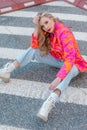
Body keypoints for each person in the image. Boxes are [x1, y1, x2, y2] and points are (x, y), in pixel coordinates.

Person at [0, 12, 87, 121]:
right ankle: (9, 69)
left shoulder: (64, 33)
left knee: (71, 69)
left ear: (52, 19)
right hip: (58, 60)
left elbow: (70, 59)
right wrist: (36, 26)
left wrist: (58, 78)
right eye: (43, 26)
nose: (46, 27)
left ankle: (50, 101)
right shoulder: (47, 31)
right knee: (34, 50)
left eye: (46, 22)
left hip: (74, 63)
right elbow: (34, 45)